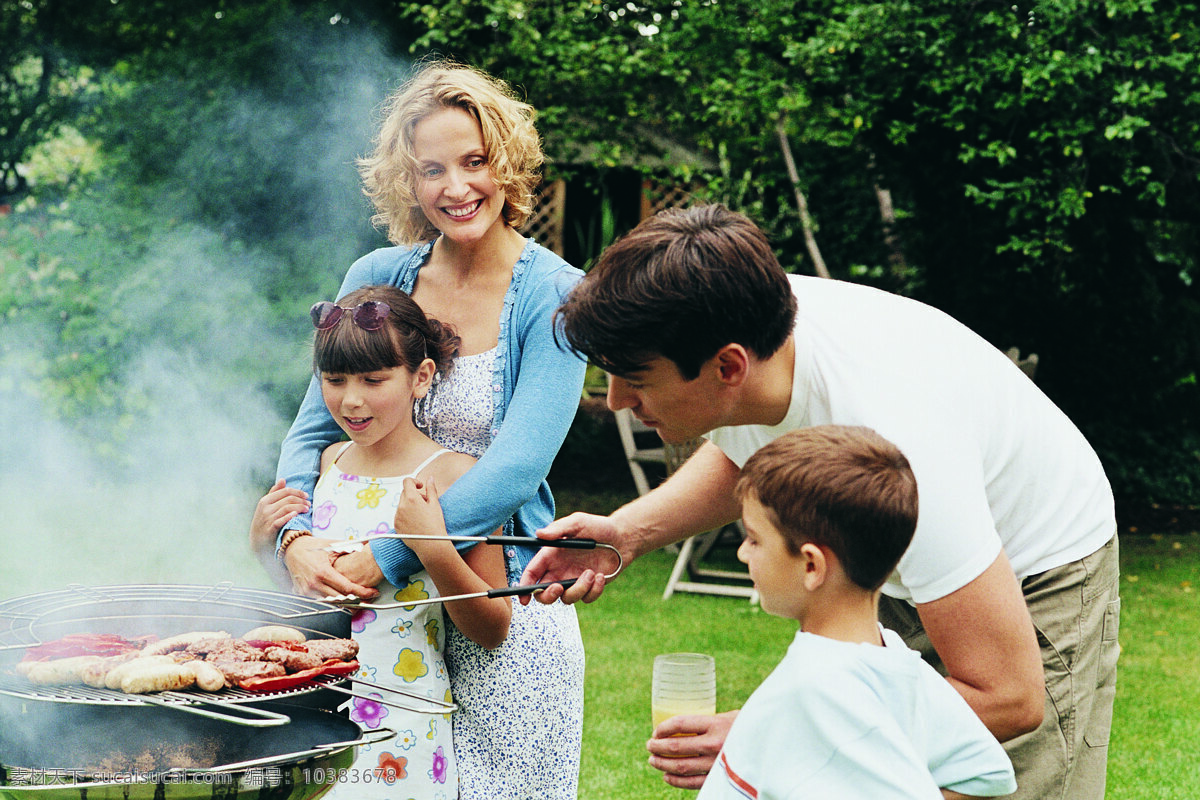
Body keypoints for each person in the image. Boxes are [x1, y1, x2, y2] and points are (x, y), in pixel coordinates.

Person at [522, 204, 1120, 799]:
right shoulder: (742, 331)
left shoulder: (904, 435)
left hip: (1030, 571)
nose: (618, 400)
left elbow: (1009, 697)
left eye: (636, 378)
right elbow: (744, 446)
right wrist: (626, 533)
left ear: (729, 366)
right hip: (891, 565)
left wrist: (773, 736)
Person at [250, 60, 587, 799]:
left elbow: (516, 468)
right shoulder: (378, 274)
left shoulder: (557, 295)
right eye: (431, 169)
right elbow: (311, 431)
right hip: (377, 622)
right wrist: (295, 536)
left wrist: (392, 554)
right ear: (407, 180)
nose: (456, 188)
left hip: (500, 608)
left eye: (474, 162)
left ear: (507, 161)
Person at [253, 286, 512, 799]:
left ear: (421, 377)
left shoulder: (456, 478)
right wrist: (267, 547)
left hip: (404, 726)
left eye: (374, 380)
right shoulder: (326, 465)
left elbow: (493, 627)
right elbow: (307, 601)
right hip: (313, 716)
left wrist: (432, 547)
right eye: (334, 380)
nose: (351, 399)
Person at [696, 425, 1016, 800]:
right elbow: (981, 771)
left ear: (811, 566)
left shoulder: (818, 689)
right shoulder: (895, 659)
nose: (743, 552)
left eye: (754, 539)